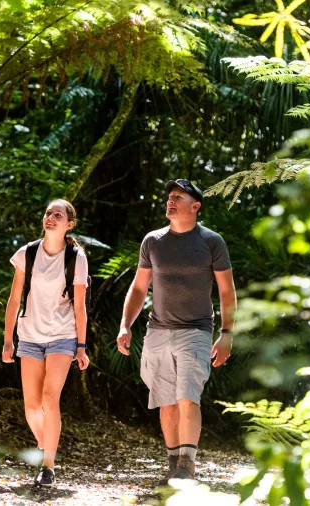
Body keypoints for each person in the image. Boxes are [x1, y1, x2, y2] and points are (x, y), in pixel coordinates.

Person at [116, 179, 237, 484]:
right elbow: (139, 287)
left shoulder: (211, 242)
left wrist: (227, 332)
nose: (170, 201)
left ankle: (187, 466)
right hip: (157, 331)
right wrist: (125, 325)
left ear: (195, 206)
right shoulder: (153, 242)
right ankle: (173, 467)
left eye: (178, 197)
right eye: (169, 197)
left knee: (188, 397)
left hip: (196, 330)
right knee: (166, 400)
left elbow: (226, 290)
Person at [2, 199, 90, 488]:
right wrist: (7, 340)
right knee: (31, 407)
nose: (50, 217)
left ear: (69, 224)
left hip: (62, 336)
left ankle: (48, 466)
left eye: (58, 215)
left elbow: (79, 307)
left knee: (51, 398)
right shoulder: (27, 254)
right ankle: (46, 445)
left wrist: (81, 345)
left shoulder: (75, 257)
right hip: (29, 335)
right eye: (48, 213)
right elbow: (14, 299)